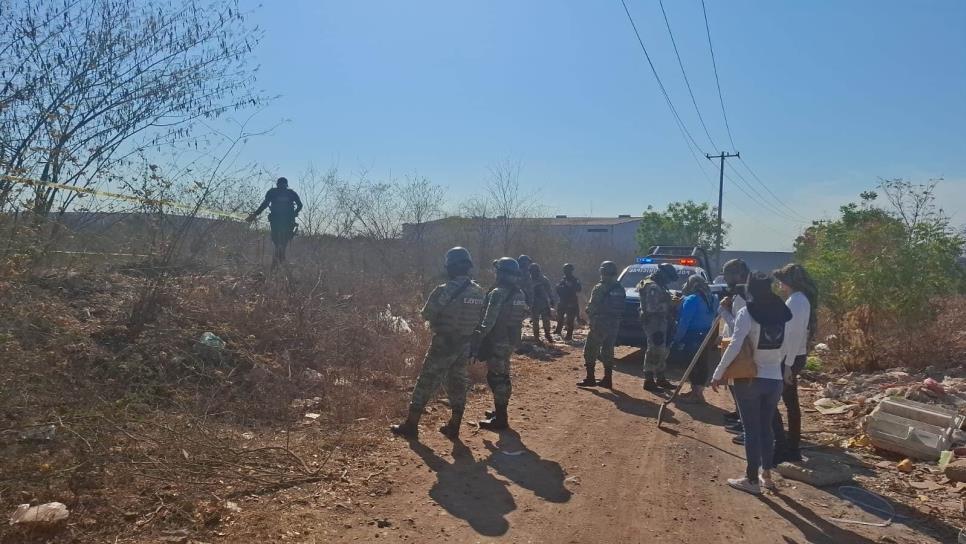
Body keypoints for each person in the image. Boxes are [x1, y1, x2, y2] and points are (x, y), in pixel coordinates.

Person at [710, 271, 793, 495]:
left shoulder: (748, 312)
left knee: (751, 430)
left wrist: (719, 372)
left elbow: (735, 345)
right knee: (766, 428)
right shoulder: (784, 313)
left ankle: (751, 479)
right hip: (774, 379)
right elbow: (790, 346)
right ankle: (766, 474)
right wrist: (785, 368)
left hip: (749, 379)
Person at [390, 247, 485, 439]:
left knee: (426, 381)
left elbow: (427, 314)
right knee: (458, 383)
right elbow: (481, 319)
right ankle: (454, 426)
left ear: (451, 266)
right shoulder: (480, 292)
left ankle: (411, 425)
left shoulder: (444, 290)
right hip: (464, 344)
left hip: (445, 342)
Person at [474, 257, 529, 430]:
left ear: (502, 273)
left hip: (497, 340)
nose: (496, 273)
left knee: (496, 377)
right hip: (510, 340)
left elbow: (489, 321)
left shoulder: (498, 293)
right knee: (504, 375)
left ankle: (501, 419)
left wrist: (478, 337)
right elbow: (523, 314)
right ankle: (500, 412)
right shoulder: (519, 293)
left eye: (498, 271)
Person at [772, 263, 818, 464]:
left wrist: (787, 366)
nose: (779, 284)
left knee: (770, 402)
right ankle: (791, 447)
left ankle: (782, 447)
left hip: (789, 358)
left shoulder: (796, 302)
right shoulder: (799, 300)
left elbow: (792, 334)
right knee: (791, 404)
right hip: (794, 356)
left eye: (781, 280)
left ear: (787, 282)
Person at [578, 261, 626, 388]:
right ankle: (607, 379)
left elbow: (592, 306)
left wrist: (588, 314)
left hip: (600, 322)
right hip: (614, 322)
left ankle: (590, 378)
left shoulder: (600, 287)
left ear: (602, 272)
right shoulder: (619, 288)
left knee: (590, 349)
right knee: (608, 350)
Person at [718, 258, 751, 442]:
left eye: (728, 274)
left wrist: (723, 312)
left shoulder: (744, 297)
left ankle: (745, 423)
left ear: (738, 274)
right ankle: (740, 416)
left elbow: (738, 326)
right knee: (734, 385)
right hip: (735, 343)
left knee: (740, 387)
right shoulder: (740, 294)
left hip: (740, 347)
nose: (726, 278)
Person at [673, 275, 718, 404]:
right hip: (706, 335)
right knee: (702, 363)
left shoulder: (692, 299)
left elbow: (684, 321)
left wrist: (677, 338)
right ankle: (698, 392)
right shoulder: (713, 299)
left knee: (691, 364)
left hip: (692, 335)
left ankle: (696, 394)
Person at [638, 263, 678, 391]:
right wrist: (671, 304)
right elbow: (652, 308)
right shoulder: (653, 286)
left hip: (660, 321)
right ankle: (649, 380)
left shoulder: (659, 284)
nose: (669, 281)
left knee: (662, 349)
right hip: (654, 321)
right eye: (669, 278)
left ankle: (660, 378)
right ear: (664, 275)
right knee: (655, 349)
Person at [247, 177, 303, 267]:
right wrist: (294, 213)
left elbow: (265, 204)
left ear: (277, 184)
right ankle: (280, 261)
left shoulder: (272, 192)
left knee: (277, 242)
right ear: (286, 185)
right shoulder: (291, 193)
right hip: (288, 221)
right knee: (283, 242)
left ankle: (277, 262)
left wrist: (255, 214)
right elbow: (300, 205)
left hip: (276, 220)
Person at [528, 263, 557, 344]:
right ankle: (536, 338)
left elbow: (549, 290)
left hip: (544, 303)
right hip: (533, 304)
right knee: (535, 322)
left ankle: (547, 335)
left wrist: (551, 299)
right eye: (531, 271)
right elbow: (526, 291)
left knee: (546, 321)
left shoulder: (543, 279)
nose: (533, 273)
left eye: (535, 271)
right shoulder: (528, 280)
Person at [554, 263, 581, 341]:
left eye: (567, 270)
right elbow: (557, 288)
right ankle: (558, 330)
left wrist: (571, 286)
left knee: (570, 320)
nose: (566, 272)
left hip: (571, 302)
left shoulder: (575, 280)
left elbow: (579, 289)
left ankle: (569, 335)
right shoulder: (563, 279)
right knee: (560, 318)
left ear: (571, 271)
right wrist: (560, 287)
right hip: (562, 301)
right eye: (565, 270)